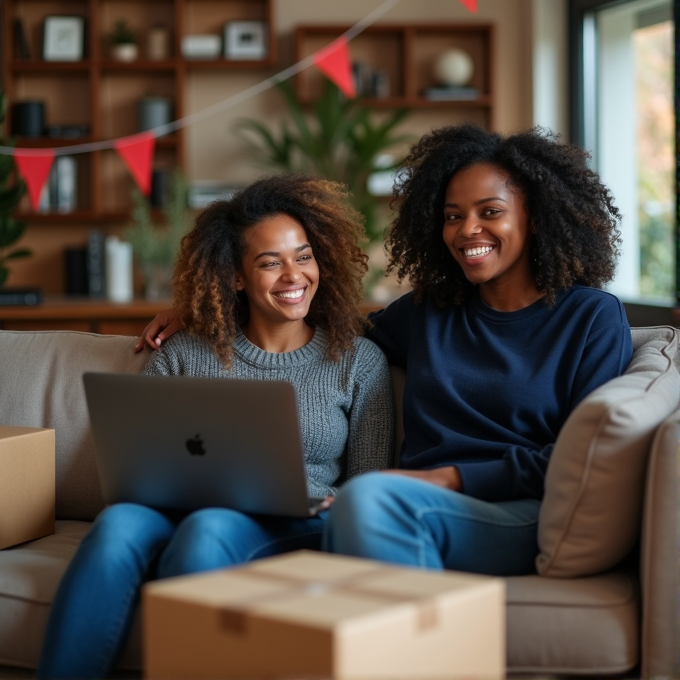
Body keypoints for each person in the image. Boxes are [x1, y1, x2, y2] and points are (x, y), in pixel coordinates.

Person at [134, 124, 633, 578]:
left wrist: (447, 478)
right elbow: (314, 324)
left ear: (537, 217)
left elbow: (584, 455)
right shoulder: (428, 311)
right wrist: (208, 311)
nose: (466, 230)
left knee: (365, 498)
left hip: (515, 510)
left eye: (491, 212)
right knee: (356, 505)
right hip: (407, 503)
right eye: (453, 216)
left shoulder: (590, 318)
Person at [38, 175, 394, 680]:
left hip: (298, 518)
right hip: (175, 507)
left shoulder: (359, 362)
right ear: (235, 277)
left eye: (304, 255)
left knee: (209, 529)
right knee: (117, 525)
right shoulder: (183, 352)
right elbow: (135, 462)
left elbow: (370, 479)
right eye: (270, 262)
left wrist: (346, 501)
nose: (294, 274)